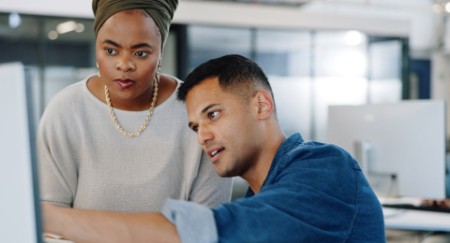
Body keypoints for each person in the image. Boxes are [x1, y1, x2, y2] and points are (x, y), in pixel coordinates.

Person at [42, 54, 386, 242]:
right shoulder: (261, 195)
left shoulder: (323, 167)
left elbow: (210, 233)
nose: (202, 136)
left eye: (214, 115)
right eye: (195, 126)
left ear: (261, 106)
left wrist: (42, 215)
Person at [37, 0, 232, 213]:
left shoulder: (197, 112)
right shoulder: (66, 111)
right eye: (111, 51)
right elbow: (49, 216)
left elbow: (209, 222)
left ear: (160, 53)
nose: (124, 65)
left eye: (140, 53)